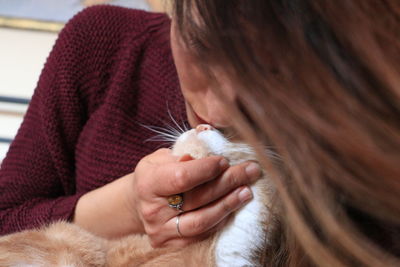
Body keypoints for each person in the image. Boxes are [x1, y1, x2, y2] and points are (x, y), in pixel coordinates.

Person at [1, 0, 399, 266]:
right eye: (201, 47)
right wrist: (129, 205)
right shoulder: (102, 44)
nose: (216, 110)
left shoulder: (371, 114)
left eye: (268, 72)